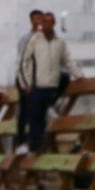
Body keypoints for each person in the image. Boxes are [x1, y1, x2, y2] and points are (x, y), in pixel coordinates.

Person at [17, 11, 82, 156]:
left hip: (53, 85)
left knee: (45, 115)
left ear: (53, 23)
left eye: (49, 22)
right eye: (44, 22)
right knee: (35, 119)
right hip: (38, 85)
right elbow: (24, 61)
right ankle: (34, 147)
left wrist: (78, 75)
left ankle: (42, 146)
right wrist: (26, 82)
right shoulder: (34, 40)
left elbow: (68, 60)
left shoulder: (59, 42)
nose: (46, 24)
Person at [15, 9, 44, 151]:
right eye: (36, 18)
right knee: (26, 111)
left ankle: (36, 143)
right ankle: (22, 141)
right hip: (27, 78)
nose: (39, 21)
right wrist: (25, 82)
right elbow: (22, 61)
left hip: (40, 79)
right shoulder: (26, 39)